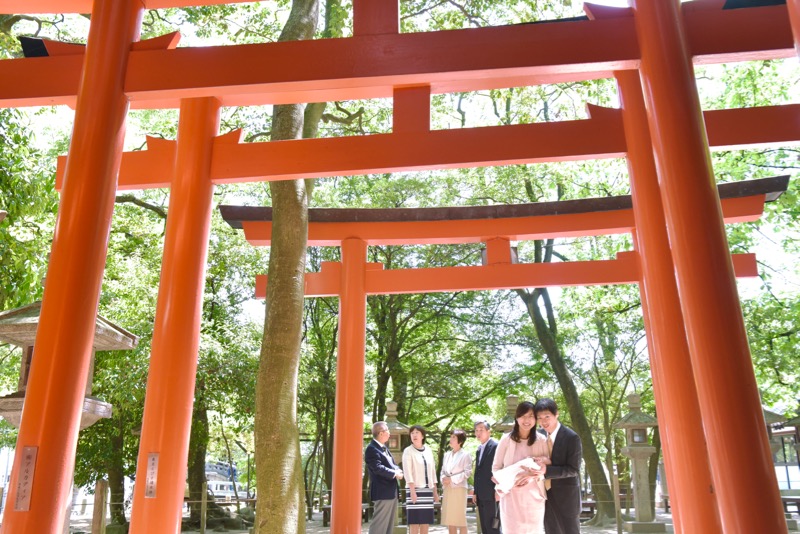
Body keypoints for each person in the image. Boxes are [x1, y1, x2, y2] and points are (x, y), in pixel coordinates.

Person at [492, 401, 550, 534]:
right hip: (510, 495)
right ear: (517, 418)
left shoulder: (541, 439)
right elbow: (496, 467)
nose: (527, 420)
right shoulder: (506, 439)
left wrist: (531, 475)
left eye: (530, 416)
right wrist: (508, 478)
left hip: (534, 496)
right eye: (523, 416)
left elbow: (546, 465)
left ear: (535, 419)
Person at [535, 398, 582, 534]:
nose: (544, 421)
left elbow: (573, 469)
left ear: (557, 414)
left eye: (547, 416)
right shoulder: (539, 436)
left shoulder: (571, 437)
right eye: (540, 418)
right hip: (545, 496)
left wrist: (547, 470)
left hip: (567, 497)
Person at [365, 421, 404, 534]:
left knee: (388, 525)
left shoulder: (383, 448)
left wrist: (398, 469)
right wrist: (395, 473)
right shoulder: (372, 449)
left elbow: (391, 464)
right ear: (381, 433)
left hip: (390, 492)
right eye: (387, 431)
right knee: (379, 525)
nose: (389, 434)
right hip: (382, 491)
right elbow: (377, 468)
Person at [402, 425, 439, 534]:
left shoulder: (428, 450)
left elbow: (432, 471)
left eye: (417, 432)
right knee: (414, 521)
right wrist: (412, 492)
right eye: (412, 433)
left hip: (427, 490)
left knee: (425, 521)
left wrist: (435, 491)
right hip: (414, 489)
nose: (414, 435)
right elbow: (407, 473)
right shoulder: (408, 451)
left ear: (422, 435)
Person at [440, 429, 472, 534]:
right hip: (448, 488)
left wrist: (452, 479)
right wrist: (443, 478)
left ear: (460, 441)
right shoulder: (447, 454)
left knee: (460, 519)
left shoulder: (465, 455)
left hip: (459, 488)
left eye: (454, 437)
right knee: (450, 519)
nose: (451, 439)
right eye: (451, 436)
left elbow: (467, 473)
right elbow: (443, 471)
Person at [473, 420, 501, 534]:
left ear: (489, 431)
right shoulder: (479, 449)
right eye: (476, 430)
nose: (478, 433)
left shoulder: (495, 446)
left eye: (481, 430)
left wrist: (498, 489)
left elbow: (500, 469)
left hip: (492, 493)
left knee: (493, 526)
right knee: (484, 526)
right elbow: (478, 472)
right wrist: (475, 491)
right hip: (480, 494)